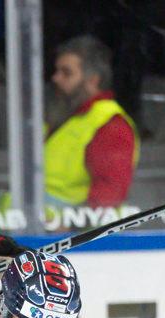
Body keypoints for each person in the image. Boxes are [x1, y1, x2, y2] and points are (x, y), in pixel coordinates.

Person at [45, 35, 139, 209]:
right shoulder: (64, 117)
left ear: (93, 80)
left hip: (68, 233)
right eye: (57, 71)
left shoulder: (109, 125)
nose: (56, 78)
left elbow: (108, 194)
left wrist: (72, 225)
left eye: (66, 73)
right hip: (32, 230)